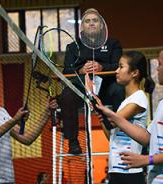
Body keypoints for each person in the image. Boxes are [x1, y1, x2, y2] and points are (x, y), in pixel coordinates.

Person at [96, 41, 163, 183]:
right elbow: (147, 138)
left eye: (160, 64)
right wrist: (112, 116)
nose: (157, 69)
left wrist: (146, 159)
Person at [57, 8, 124, 154]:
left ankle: (121, 131)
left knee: (119, 90)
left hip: (106, 87)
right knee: (66, 96)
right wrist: (80, 70)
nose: (91, 23)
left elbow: (119, 66)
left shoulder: (113, 43)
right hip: (82, 90)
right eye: (87, 21)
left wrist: (101, 67)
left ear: (101, 25)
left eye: (95, 20)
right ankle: (73, 141)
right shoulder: (73, 47)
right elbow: (66, 71)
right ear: (82, 26)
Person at [95, 51, 155, 184]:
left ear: (134, 73)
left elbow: (112, 122)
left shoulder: (139, 98)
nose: (116, 71)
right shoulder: (125, 102)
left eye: (121, 67)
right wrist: (101, 118)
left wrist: (95, 100)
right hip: (116, 169)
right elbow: (112, 137)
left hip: (129, 171)